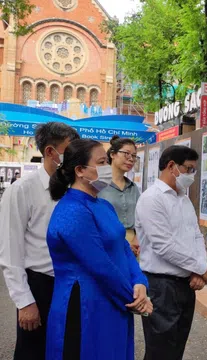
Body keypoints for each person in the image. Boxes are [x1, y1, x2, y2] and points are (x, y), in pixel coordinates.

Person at [46, 138, 152, 360]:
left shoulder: (102, 205)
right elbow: (100, 265)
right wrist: (135, 300)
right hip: (86, 306)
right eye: (102, 162)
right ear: (80, 170)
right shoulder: (72, 211)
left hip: (113, 300)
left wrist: (140, 281)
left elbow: (123, 246)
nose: (107, 168)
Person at [0, 122, 79, 360]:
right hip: (40, 286)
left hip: (72, 285)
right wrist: (24, 302)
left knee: (68, 350)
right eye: (69, 151)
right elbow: (10, 250)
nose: (74, 157)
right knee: (33, 351)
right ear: (50, 152)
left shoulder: (73, 188)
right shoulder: (22, 190)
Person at [136, 145, 207, 360]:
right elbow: (164, 245)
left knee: (176, 348)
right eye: (188, 169)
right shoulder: (152, 199)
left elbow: (196, 236)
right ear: (171, 166)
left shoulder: (183, 198)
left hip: (184, 285)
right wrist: (201, 268)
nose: (191, 175)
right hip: (161, 287)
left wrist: (199, 270)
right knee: (160, 350)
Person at [99, 135, 141, 256]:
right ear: (112, 154)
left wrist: (137, 238)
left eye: (134, 156)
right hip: (106, 243)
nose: (131, 159)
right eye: (126, 154)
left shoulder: (133, 188)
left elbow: (141, 218)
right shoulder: (98, 185)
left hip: (134, 245)